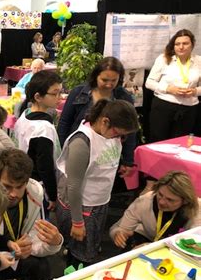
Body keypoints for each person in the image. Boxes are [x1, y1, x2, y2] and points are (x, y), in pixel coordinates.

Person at [56, 99, 139, 267]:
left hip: (99, 202)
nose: (119, 138)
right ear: (105, 122)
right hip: (81, 209)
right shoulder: (82, 142)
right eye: (118, 133)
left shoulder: (108, 133)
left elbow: (105, 157)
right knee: (80, 257)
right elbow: (73, 186)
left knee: (89, 251)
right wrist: (78, 222)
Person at [0, 149, 63, 280]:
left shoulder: (35, 194)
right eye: (7, 186)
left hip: (14, 257)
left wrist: (56, 242)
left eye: (20, 186)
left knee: (41, 267)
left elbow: (34, 244)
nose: (14, 194)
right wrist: (12, 252)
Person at [57, 57, 137, 176]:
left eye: (113, 80)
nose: (109, 84)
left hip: (107, 156)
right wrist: (62, 152)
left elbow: (129, 132)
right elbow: (64, 123)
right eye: (104, 80)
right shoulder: (79, 93)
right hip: (79, 150)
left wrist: (128, 160)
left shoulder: (124, 97)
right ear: (96, 76)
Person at [110, 170, 201, 250]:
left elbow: (195, 245)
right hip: (146, 240)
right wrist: (118, 233)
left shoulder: (197, 209)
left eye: (170, 200)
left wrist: (155, 248)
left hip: (178, 249)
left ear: (185, 201)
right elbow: (118, 228)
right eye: (160, 194)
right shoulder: (145, 201)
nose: (161, 202)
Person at [14, 71, 63, 211]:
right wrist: (52, 195)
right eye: (55, 93)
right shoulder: (43, 129)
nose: (59, 97)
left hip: (24, 179)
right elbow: (45, 167)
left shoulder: (26, 113)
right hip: (37, 187)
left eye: (61, 92)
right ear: (38, 96)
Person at [145, 29, 201, 142]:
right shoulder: (164, 59)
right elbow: (149, 82)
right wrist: (168, 89)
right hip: (164, 106)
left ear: (192, 45)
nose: (181, 47)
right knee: (158, 141)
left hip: (189, 109)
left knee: (180, 143)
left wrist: (195, 91)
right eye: (177, 44)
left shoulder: (199, 61)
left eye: (185, 43)